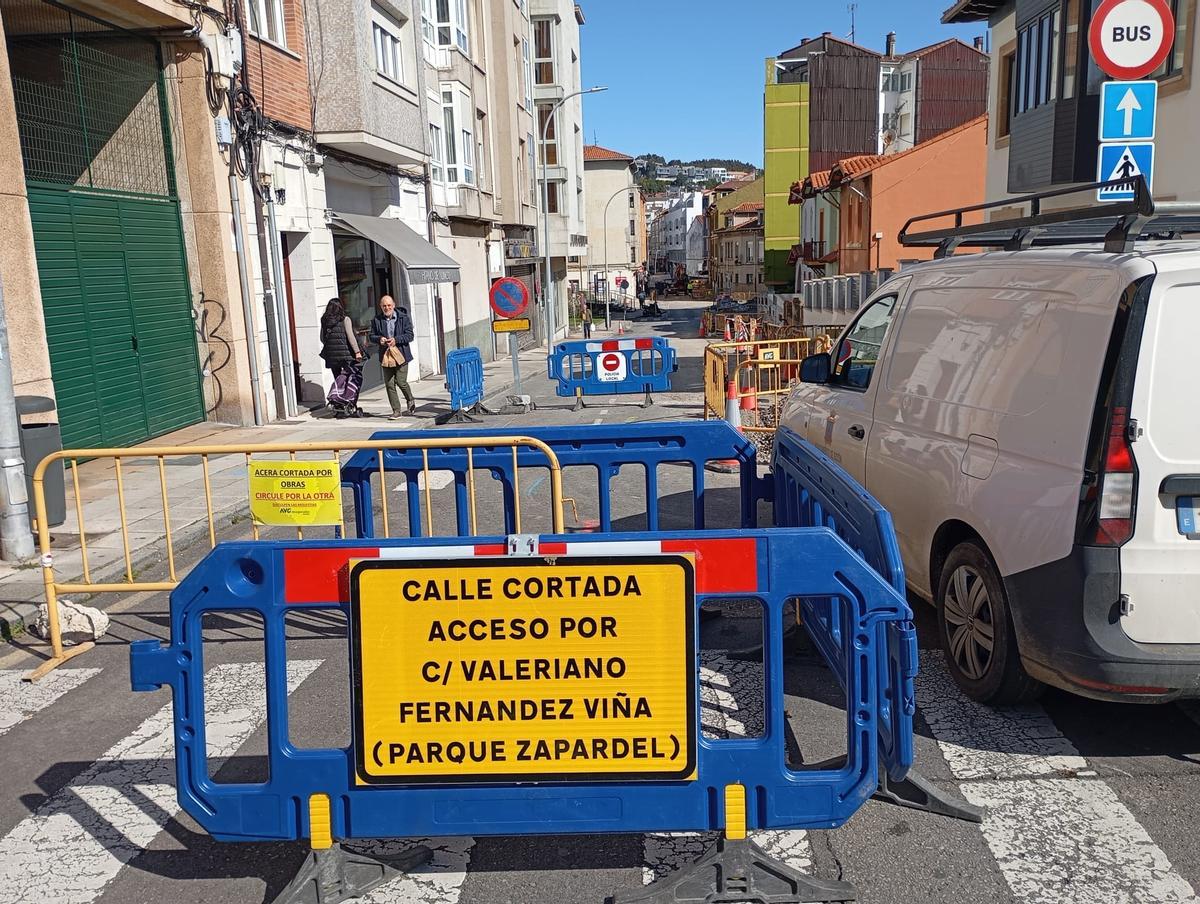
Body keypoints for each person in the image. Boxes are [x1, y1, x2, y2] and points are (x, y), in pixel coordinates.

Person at [369, 295, 417, 419]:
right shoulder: (377, 320)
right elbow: (371, 336)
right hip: (386, 356)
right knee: (389, 384)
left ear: (393, 305)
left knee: (401, 382)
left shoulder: (403, 318)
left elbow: (410, 335)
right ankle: (396, 410)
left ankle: (410, 399)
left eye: (389, 305)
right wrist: (380, 339)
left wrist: (396, 340)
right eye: (384, 306)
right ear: (381, 307)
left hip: (401, 354)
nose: (387, 308)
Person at [318, 298, 363, 417]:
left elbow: (322, 338)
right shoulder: (345, 320)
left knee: (338, 380)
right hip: (345, 356)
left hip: (332, 357)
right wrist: (357, 352)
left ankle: (338, 405)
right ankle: (349, 402)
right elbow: (351, 337)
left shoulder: (324, 320)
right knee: (350, 379)